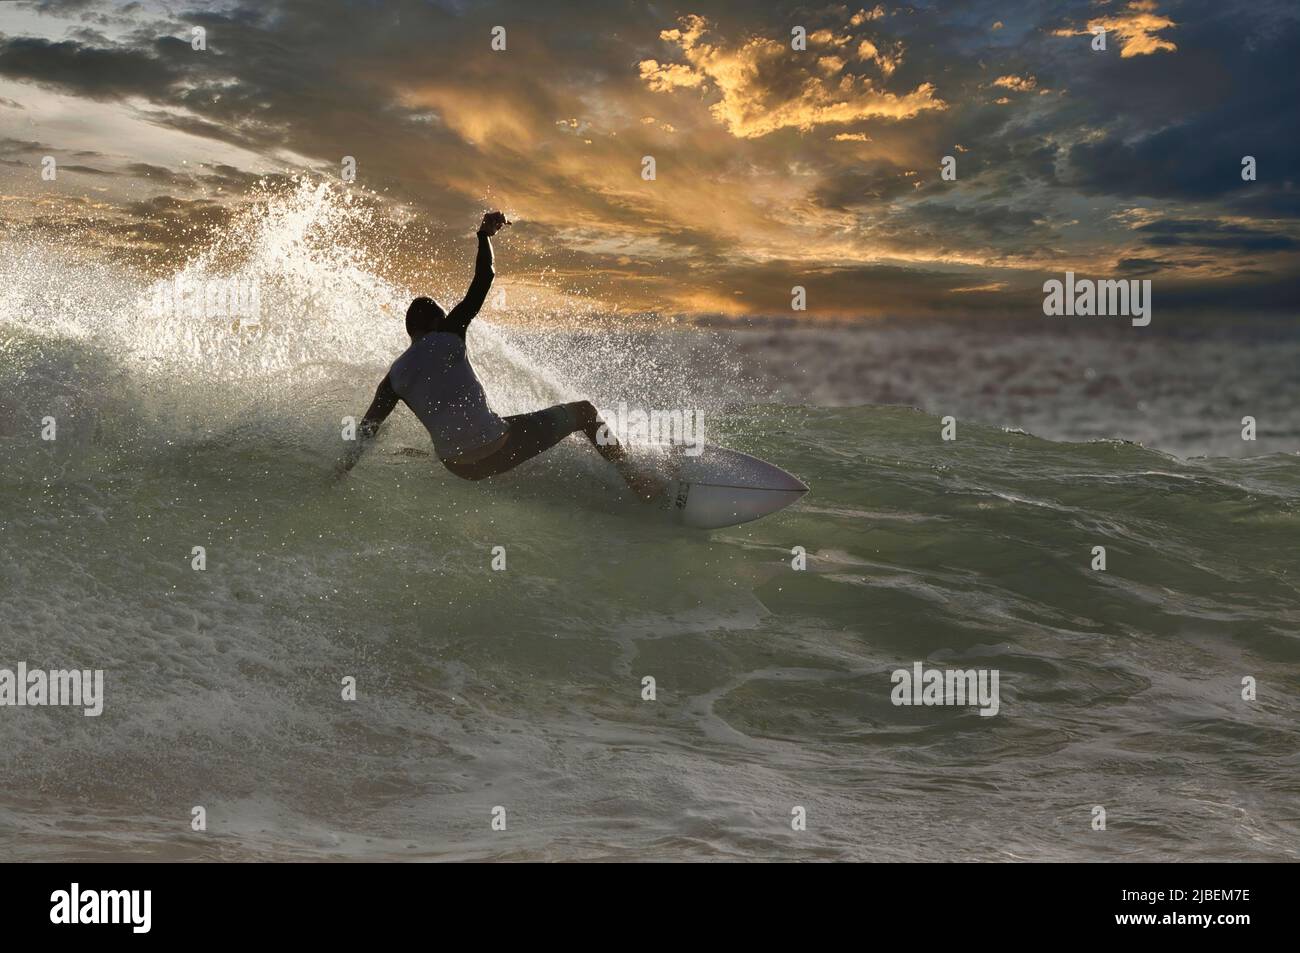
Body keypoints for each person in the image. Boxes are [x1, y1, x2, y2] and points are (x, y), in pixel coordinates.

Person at [336, 211, 661, 500]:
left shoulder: (394, 377)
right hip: (498, 449)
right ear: (437, 321)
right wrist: (484, 235)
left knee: (497, 425)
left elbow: (367, 430)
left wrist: (338, 474)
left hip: (459, 468)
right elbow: (485, 277)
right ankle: (637, 480)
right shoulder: (448, 334)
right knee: (584, 412)